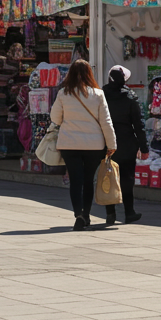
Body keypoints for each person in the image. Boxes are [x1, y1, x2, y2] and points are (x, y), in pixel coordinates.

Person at [50, 60, 116, 231]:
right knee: (88, 180)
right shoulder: (98, 94)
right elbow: (106, 122)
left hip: (69, 144)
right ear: (89, 74)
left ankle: (78, 215)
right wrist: (111, 144)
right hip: (94, 146)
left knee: (75, 180)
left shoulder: (63, 94)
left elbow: (55, 119)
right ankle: (86, 214)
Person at [102, 65, 147, 225]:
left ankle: (110, 214)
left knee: (108, 177)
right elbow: (138, 125)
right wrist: (144, 147)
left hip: (106, 144)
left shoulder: (101, 96)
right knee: (127, 178)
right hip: (127, 143)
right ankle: (129, 212)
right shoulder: (130, 96)